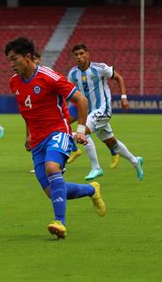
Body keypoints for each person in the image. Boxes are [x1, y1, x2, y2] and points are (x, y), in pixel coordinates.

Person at [6, 37, 105, 239]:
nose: (11, 64)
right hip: (37, 141)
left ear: (27, 57)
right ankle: (91, 190)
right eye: (9, 60)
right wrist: (28, 134)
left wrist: (81, 130)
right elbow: (27, 111)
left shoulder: (49, 76)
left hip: (58, 131)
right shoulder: (13, 82)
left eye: (14, 59)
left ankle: (60, 222)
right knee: (54, 192)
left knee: (53, 168)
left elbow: (81, 100)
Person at [67, 43, 144, 181]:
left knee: (81, 132)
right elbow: (69, 93)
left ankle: (96, 167)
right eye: (76, 55)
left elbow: (119, 77)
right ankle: (135, 161)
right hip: (90, 113)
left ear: (87, 54)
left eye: (81, 53)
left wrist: (124, 97)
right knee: (112, 143)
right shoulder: (73, 74)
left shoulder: (100, 68)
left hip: (103, 109)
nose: (79, 57)